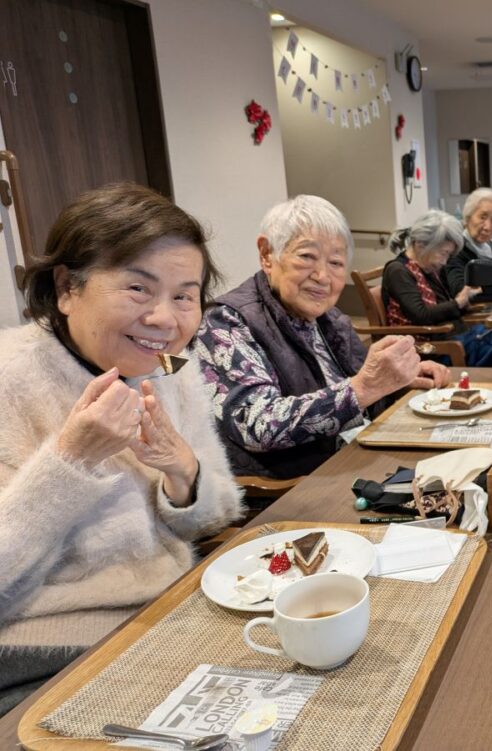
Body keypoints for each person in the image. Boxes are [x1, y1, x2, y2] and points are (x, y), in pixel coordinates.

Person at [0, 183, 243, 714]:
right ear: (66, 287)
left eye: (184, 296)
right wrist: (71, 460)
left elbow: (219, 509)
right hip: (46, 646)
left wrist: (184, 473)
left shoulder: (171, 370)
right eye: (138, 288)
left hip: (169, 606)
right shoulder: (9, 378)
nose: (165, 319)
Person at [195, 196, 449, 480]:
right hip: (296, 489)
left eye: (336, 263)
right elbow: (259, 425)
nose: (322, 276)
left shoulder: (330, 319)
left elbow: (357, 392)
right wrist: (364, 387)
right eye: (306, 257)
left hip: (354, 461)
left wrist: (397, 381)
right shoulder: (225, 322)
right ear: (267, 254)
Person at [382, 209, 492, 367]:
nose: (445, 261)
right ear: (421, 245)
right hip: (429, 350)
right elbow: (421, 314)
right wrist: (458, 303)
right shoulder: (398, 271)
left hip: (450, 339)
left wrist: (465, 300)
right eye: (443, 253)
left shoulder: (429, 268)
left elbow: (444, 306)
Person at [444, 187, 492, 302]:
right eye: (482, 217)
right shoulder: (457, 249)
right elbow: (460, 290)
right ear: (468, 217)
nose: (487, 227)